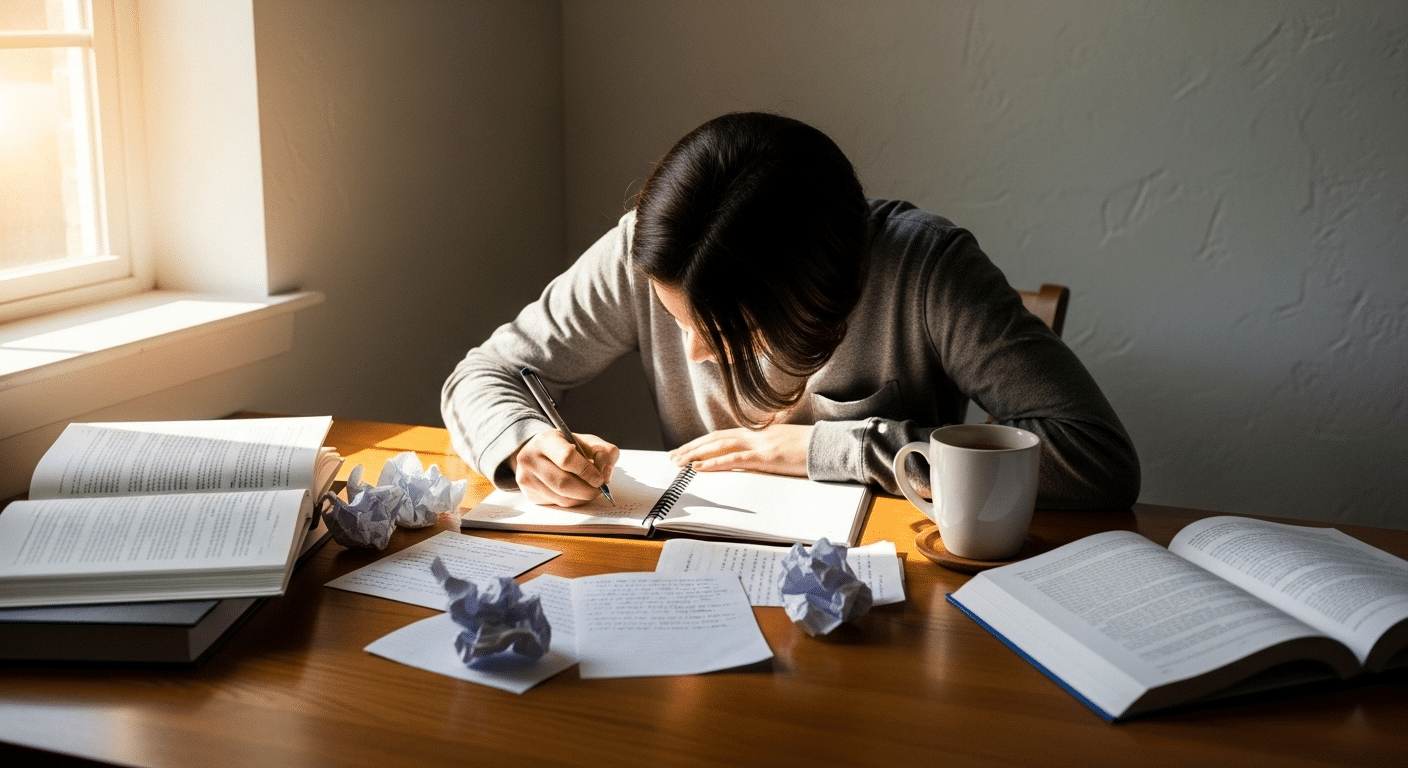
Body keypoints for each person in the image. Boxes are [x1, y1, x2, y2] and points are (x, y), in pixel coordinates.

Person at [442, 112, 1140, 510]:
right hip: (696, 579)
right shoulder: (650, 254)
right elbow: (486, 374)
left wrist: (834, 447)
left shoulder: (925, 270)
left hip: (889, 593)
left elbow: (1097, 459)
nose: (690, 358)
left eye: (730, 333)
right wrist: (524, 444)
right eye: (676, 320)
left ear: (825, 301)